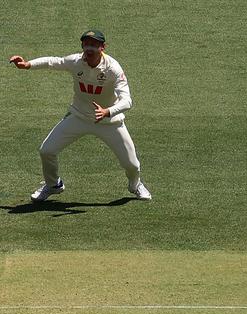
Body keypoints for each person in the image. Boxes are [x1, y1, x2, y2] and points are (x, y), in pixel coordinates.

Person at [9, 30, 152, 202]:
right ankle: (53, 185)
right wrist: (27, 64)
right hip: (79, 117)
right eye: (86, 44)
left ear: (103, 47)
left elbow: (127, 100)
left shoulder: (113, 68)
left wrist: (108, 111)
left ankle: (135, 185)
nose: (89, 48)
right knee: (46, 150)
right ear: (83, 46)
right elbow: (53, 62)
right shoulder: (76, 61)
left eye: (94, 44)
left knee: (132, 165)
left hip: (109, 122)